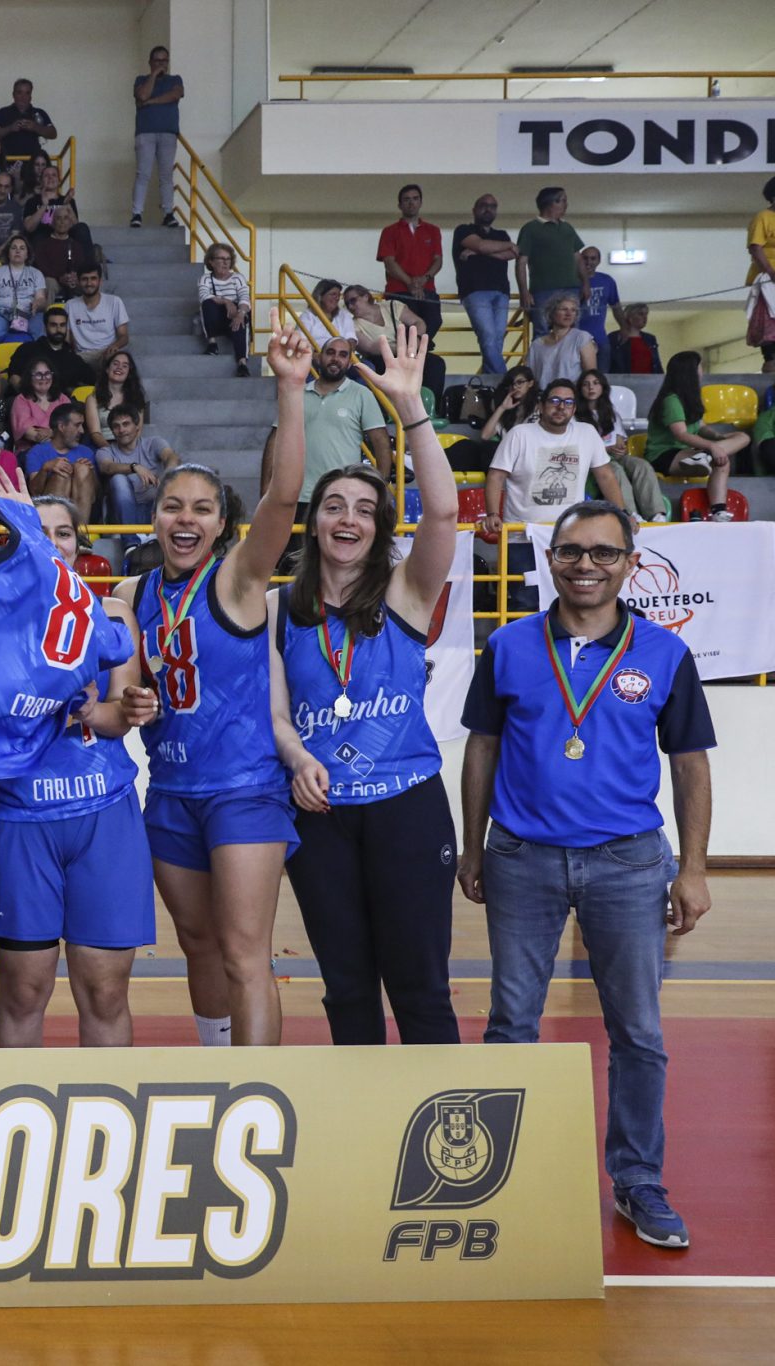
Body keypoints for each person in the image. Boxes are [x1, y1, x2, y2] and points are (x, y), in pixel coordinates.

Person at [459, 499, 714, 1250]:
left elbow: (691, 765)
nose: (586, 566)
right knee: (511, 1024)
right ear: (550, 559)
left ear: (631, 563)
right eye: (571, 551)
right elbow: (481, 749)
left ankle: (638, 1180)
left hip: (629, 862)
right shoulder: (506, 646)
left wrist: (692, 869)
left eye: (604, 553)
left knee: (637, 1031)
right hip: (521, 859)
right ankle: (501, 1174)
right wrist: (472, 845)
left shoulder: (664, 654)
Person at [115, 314, 313, 1048]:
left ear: (222, 522)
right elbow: (122, 692)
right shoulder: (133, 596)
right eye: (172, 506)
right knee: (196, 947)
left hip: (241, 792)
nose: (185, 518)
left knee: (243, 952)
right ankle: (215, 1063)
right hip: (169, 793)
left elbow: (284, 499)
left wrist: (289, 390)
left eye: (201, 507)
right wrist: (129, 700)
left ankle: (259, 1090)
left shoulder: (236, 581)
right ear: (154, 516)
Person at [268, 325, 460, 1046]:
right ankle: (362, 1135)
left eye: (363, 508)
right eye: (333, 506)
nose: (347, 518)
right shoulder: (281, 608)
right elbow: (278, 715)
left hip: (406, 807)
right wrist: (294, 757)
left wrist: (411, 410)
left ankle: (445, 1143)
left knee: (419, 987)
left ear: (379, 526)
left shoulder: (408, 592)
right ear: (314, 522)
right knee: (347, 989)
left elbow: (442, 513)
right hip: (319, 819)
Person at [0, 495, 161, 1048]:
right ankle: (13, 1123)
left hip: (102, 813)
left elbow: (118, 718)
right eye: (38, 532)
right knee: (22, 991)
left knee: (106, 992)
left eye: (63, 533)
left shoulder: (112, 613)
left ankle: (107, 1124)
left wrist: (95, 709)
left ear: (78, 544)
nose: (52, 543)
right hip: (22, 816)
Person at [262, 335, 392, 529]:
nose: (335, 359)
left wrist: (380, 487)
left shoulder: (362, 395)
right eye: (330, 353)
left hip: (342, 499)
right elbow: (275, 440)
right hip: (297, 496)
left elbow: (381, 442)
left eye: (342, 355)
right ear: (318, 357)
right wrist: (265, 490)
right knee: (294, 558)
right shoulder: (296, 394)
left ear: (349, 362)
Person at [484, 378, 626, 541]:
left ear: (574, 410)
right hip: (522, 536)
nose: (561, 407)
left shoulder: (587, 433)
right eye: (555, 400)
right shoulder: (519, 434)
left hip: (569, 536)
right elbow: (496, 477)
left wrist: (621, 514)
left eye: (568, 402)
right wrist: (492, 514)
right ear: (541, 406)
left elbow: (606, 476)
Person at [642, 352, 746, 520]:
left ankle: (719, 512)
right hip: (664, 455)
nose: (702, 371)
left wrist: (718, 436)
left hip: (690, 453)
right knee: (720, 456)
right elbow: (681, 434)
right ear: (690, 370)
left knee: (742, 438)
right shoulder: (670, 399)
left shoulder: (690, 397)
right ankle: (705, 455)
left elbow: (701, 426)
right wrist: (712, 446)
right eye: (699, 366)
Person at [576, 368, 670, 522]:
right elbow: (581, 447)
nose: (591, 388)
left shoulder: (611, 411)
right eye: (586, 385)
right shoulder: (576, 415)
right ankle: (630, 515)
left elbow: (620, 438)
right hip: (594, 462)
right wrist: (605, 450)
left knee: (641, 465)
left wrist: (621, 448)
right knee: (616, 470)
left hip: (614, 455)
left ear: (602, 387)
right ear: (580, 389)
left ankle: (656, 514)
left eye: (595, 383)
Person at [453, 193, 517, 375]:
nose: (488, 209)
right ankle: (505, 379)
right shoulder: (463, 230)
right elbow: (482, 245)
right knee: (488, 337)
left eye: (493, 206)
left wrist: (477, 251)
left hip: (502, 291)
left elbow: (513, 253)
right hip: (474, 290)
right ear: (474, 210)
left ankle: (492, 379)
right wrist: (482, 248)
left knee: (497, 340)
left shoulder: (501, 234)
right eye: (484, 205)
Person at [445, 365, 538, 474]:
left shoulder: (540, 407)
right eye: (512, 384)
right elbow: (485, 435)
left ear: (530, 383)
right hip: (504, 456)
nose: (515, 387)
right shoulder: (508, 410)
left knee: (490, 449)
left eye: (520, 382)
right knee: (466, 446)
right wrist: (502, 408)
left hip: (525, 456)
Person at [376, 183, 443, 336]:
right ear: (400, 205)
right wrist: (410, 283)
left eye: (415, 198)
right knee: (403, 328)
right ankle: (415, 352)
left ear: (421, 202)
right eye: (406, 199)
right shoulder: (390, 231)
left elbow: (438, 260)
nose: (411, 202)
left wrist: (424, 279)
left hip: (427, 289)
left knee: (434, 321)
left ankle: (419, 351)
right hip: (398, 290)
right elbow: (389, 262)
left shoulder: (433, 230)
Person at [97, 403, 178, 526]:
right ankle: (131, 543)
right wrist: (134, 467)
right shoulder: (105, 451)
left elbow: (171, 456)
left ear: (137, 426)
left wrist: (167, 474)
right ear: (112, 431)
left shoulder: (153, 443)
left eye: (126, 424)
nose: (121, 430)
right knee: (118, 479)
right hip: (120, 515)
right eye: (116, 426)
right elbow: (106, 467)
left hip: (153, 509)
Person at [517, 186, 583, 335]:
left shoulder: (567, 228)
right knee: (542, 330)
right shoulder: (531, 229)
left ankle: (570, 359)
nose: (566, 205)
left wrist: (585, 283)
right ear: (551, 203)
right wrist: (524, 291)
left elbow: (578, 257)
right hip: (543, 289)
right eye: (563, 201)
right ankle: (541, 359)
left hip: (571, 288)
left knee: (572, 332)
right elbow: (521, 262)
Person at [131, 47, 183, 229]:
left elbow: (175, 95)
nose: (161, 64)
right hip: (145, 132)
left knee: (166, 175)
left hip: (168, 132)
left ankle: (168, 213)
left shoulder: (175, 79)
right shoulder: (141, 80)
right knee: (142, 174)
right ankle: (137, 213)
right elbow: (142, 94)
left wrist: (150, 102)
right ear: (150, 62)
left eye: (164, 61)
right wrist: (153, 76)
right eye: (157, 61)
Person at [22, 406, 98, 523]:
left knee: (82, 468)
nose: (82, 431)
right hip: (46, 514)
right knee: (61, 474)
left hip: (84, 514)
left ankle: (81, 535)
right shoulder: (37, 451)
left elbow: (93, 497)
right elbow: (35, 492)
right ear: (62, 427)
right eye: (77, 425)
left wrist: (90, 473)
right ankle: (56, 533)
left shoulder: (86, 452)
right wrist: (46, 468)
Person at [6, 305, 93, 396]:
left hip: (58, 406)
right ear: (45, 327)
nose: (58, 330)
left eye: (62, 325)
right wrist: (32, 398)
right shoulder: (28, 348)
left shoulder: (73, 358)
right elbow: (13, 376)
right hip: (26, 400)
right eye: (53, 325)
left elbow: (92, 379)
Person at [0, 234, 46, 349]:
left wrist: (37, 304)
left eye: (22, 248)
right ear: (8, 253)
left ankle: (42, 362)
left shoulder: (36, 273)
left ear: (27, 254)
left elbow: (41, 298)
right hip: (2, 314)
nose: (17, 251)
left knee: (42, 324)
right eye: (14, 248)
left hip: (29, 314)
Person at [198, 242, 252, 377]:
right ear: (211, 261)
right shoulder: (205, 279)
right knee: (207, 303)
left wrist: (240, 313)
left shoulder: (238, 278)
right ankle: (212, 343)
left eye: (228, 259)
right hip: (215, 319)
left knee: (242, 320)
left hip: (234, 317)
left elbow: (245, 298)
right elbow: (204, 296)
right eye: (221, 259)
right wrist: (227, 302)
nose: (225, 262)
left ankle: (242, 363)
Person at [525, 294, 596, 388]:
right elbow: (531, 377)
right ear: (551, 313)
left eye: (573, 310)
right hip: (544, 398)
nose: (569, 313)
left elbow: (591, 375)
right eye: (564, 309)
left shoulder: (581, 337)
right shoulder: (536, 345)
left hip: (571, 398)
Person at [65, 267, 130, 368]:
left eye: (93, 278)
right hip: (81, 355)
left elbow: (124, 336)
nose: (89, 283)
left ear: (100, 281)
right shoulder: (70, 305)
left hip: (107, 352)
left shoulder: (114, 302)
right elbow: (67, 339)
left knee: (115, 360)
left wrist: (115, 346)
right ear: (78, 281)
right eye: (84, 279)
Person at [85, 347, 150, 447]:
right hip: (103, 447)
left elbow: (138, 430)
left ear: (129, 373)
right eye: (115, 364)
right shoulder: (93, 399)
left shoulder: (136, 397)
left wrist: (128, 451)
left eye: (125, 366)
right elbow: (95, 433)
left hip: (130, 447)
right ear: (107, 369)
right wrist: (113, 453)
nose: (119, 367)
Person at [0, 78, 57, 162]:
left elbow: (53, 134)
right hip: (7, 163)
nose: (23, 97)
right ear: (13, 95)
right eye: (19, 92)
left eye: (27, 93)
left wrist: (35, 127)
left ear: (30, 96)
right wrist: (10, 128)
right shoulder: (3, 112)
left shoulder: (39, 113)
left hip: (32, 165)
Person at [8, 358, 68, 454]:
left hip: (63, 450)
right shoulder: (22, 399)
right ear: (29, 378)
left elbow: (71, 427)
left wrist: (52, 433)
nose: (44, 378)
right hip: (30, 451)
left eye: (47, 374)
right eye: (38, 375)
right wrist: (56, 433)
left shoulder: (62, 399)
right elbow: (29, 433)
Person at [748, 175, 775, 372]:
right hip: (769, 281)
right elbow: (755, 248)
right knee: (771, 335)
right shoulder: (763, 217)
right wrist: (771, 272)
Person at [576, 246, 623, 358]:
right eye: (585, 258)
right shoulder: (572, 280)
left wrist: (624, 328)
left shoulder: (607, 280)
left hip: (600, 338)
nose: (589, 262)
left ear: (599, 261)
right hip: (576, 338)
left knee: (602, 374)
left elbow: (616, 306)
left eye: (593, 259)